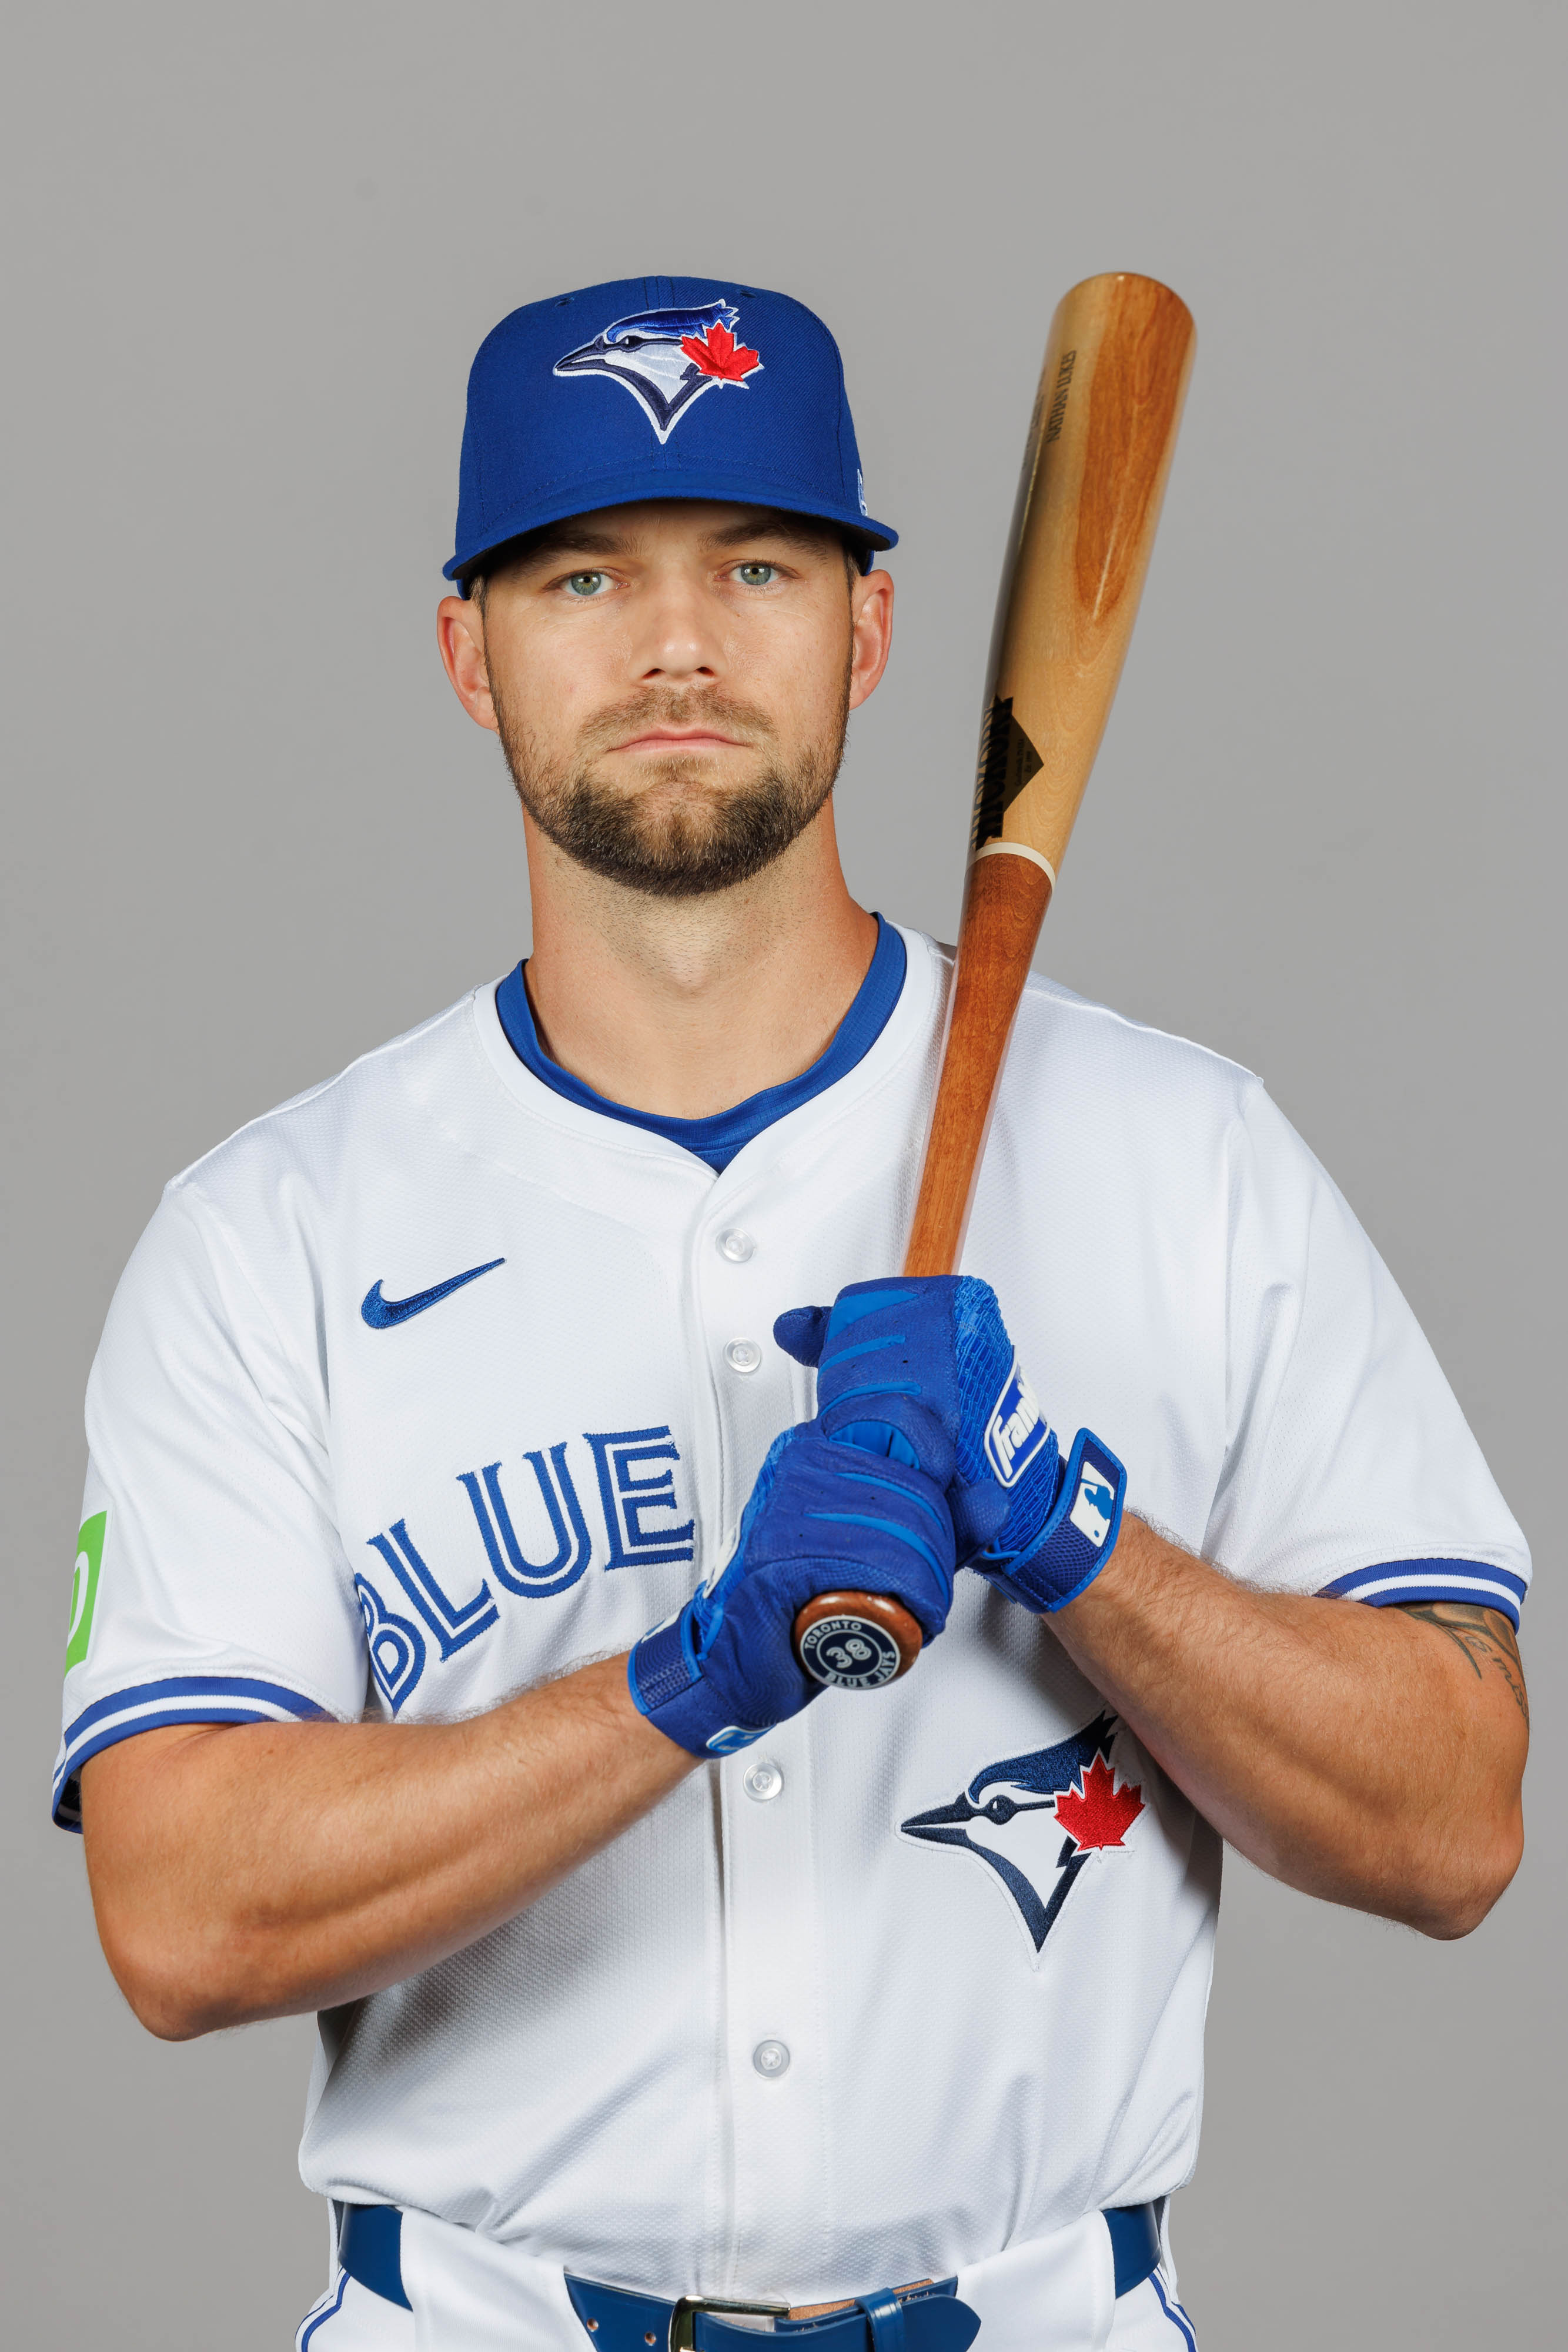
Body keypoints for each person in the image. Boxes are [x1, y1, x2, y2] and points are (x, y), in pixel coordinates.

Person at [57, 276, 1530, 2352]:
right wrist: (692, 1674)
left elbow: (1458, 1818)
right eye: (585, 576)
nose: (675, 644)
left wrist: (1075, 1540)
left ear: (871, 627)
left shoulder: (1180, 1157)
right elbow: (180, 1917)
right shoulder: (270, 1235)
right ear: (470, 653)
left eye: (754, 564)